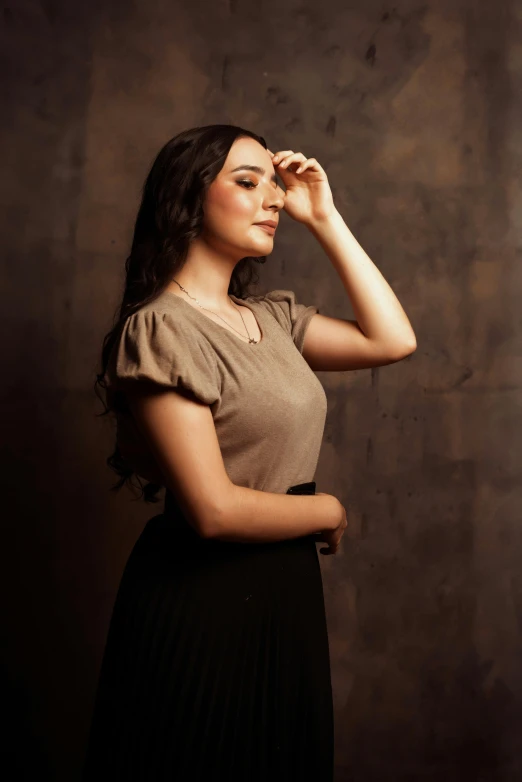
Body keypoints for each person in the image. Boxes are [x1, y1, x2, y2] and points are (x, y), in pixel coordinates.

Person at [83, 123, 415, 780]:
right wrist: (328, 509)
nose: (272, 199)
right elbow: (213, 511)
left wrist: (324, 216)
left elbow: (393, 339)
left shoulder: (271, 319)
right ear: (188, 197)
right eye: (246, 181)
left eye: (274, 182)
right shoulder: (160, 328)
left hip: (283, 592)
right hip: (203, 600)